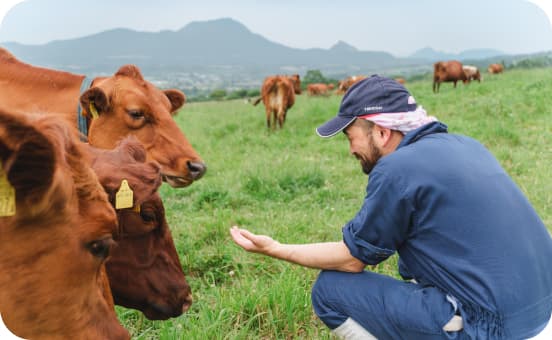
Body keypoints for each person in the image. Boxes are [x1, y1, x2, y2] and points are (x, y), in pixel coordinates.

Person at [230, 75, 552, 339]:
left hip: (495, 328)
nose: (351, 149)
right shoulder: (467, 144)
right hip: (542, 310)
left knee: (330, 290)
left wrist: (276, 248)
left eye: (350, 137)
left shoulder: (396, 170)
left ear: (382, 132)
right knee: (409, 265)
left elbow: (351, 260)